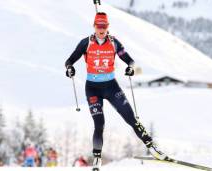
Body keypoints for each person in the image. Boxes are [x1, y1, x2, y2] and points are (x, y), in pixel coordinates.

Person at [65, 12, 167, 170]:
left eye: (104, 26)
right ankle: (97, 159)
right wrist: (70, 68)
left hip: (111, 87)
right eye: (98, 26)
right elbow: (69, 60)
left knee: (131, 118)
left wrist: (130, 68)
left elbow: (129, 60)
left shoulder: (114, 43)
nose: (101, 30)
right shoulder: (86, 43)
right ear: (94, 26)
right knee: (99, 123)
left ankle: (152, 148)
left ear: (107, 27)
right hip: (92, 89)